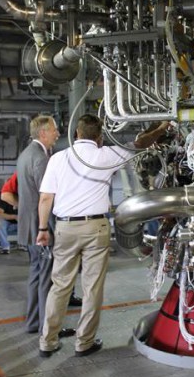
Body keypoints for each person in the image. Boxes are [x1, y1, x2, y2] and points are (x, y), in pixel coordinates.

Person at [36, 114, 170, 358]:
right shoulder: (106, 155)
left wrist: (43, 229)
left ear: (76, 134)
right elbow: (141, 142)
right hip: (95, 228)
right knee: (92, 288)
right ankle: (83, 342)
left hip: (65, 228)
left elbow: (46, 198)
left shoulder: (57, 158)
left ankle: (48, 341)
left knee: (60, 286)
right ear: (99, 138)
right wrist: (161, 127)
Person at [17, 115, 61, 333]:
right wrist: (49, 228)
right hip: (39, 227)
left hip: (28, 225)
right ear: (43, 133)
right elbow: (47, 197)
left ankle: (33, 322)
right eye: (54, 130)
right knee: (45, 277)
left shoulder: (26, 154)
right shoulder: (41, 158)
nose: (57, 133)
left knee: (36, 274)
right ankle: (46, 326)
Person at [0, 184, 18, 254]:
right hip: (8, 224)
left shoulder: (24, 197)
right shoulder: (4, 198)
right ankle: (5, 247)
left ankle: (25, 245)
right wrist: (15, 217)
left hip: (21, 224)